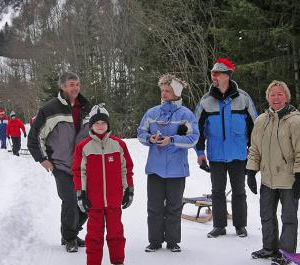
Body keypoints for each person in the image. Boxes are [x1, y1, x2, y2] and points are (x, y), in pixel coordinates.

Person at [246, 80, 300, 265]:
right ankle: (269, 248)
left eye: (280, 94)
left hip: (289, 179)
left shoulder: (296, 122)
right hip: (267, 178)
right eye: (272, 94)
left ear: (286, 97)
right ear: (268, 97)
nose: (276, 98)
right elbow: (255, 149)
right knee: (266, 215)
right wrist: (251, 171)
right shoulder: (261, 121)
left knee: (288, 218)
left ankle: (286, 253)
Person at [27, 72, 90, 253]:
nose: (75, 88)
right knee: (70, 200)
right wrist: (43, 159)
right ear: (62, 87)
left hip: (83, 166)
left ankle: (71, 231)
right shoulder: (49, 109)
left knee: (87, 202)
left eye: (77, 84)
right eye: (71, 84)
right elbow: (34, 137)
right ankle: (69, 238)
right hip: (61, 164)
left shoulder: (86, 107)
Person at [195, 58, 257, 238]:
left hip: (239, 154)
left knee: (239, 191)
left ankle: (240, 226)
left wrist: (251, 150)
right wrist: (200, 152)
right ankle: (219, 226)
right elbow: (197, 127)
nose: (213, 77)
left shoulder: (243, 98)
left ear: (227, 76)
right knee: (217, 191)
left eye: (217, 74)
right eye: (212, 74)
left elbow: (255, 125)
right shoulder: (206, 101)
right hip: (215, 155)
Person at [137, 74, 199, 252]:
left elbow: (194, 138)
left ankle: (172, 242)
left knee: (174, 207)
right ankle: (155, 241)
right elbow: (140, 133)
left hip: (177, 170)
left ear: (176, 93)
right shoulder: (152, 112)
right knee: (154, 207)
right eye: (162, 90)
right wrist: (150, 138)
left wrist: (171, 140)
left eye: (168, 91)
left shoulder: (186, 114)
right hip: (155, 169)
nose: (163, 94)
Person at [73, 104, 134, 265]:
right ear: (91, 126)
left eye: (103, 123)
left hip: (114, 200)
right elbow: (79, 172)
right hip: (94, 201)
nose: (100, 126)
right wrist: (81, 193)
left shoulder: (118, 144)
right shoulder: (83, 147)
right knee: (94, 236)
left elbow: (126, 168)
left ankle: (118, 261)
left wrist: (129, 189)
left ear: (108, 125)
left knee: (116, 234)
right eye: (96, 123)